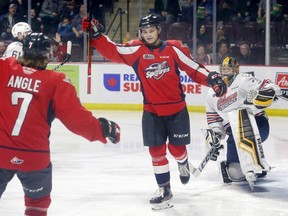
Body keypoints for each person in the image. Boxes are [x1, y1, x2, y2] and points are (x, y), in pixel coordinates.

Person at [81, 14, 226, 210]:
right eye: (144, 32)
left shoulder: (173, 49)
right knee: (156, 152)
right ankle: (164, 189)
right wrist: (96, 35)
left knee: (177, 150)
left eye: (151, 31)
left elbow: (193, 68)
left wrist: (212, 78)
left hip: (177, 111)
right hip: (151, 112)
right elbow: (113, 50)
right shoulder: (136, 49)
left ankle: (182, 162)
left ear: (158, 30)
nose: (148, 35)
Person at [0, 32, 120, 216]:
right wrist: (104, 129)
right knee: (36, 206)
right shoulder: (57, 82)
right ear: (49, 54)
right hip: (35, 157)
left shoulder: (3, 69)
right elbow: (77, 121)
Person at [204, 56, 282, 189]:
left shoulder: (244, 80)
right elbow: (214, 120)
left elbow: (268, 85)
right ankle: (252, 164)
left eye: (228, 69)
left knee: (239, 134)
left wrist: (268, 91)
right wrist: (215, 136)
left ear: (235, 70)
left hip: (258, 122)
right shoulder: (211, 94)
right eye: (223, 69)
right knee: (234, 172)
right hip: (234, 130)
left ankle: (251, 163)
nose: (225, 72)